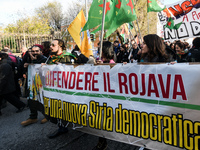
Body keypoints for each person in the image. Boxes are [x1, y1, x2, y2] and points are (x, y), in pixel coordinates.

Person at [45, 39, 76, 139]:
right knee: (57, 107)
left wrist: (63, 67)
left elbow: (74, 71)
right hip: (54, 88)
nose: (51, 47)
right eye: (51, 45)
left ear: (60, 46)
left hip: (67, 88)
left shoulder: (68, 57)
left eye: (53, 45)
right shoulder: (51, 57)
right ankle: (61, 128)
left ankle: (77, 126)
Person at [93, 41, 115, 150]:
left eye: (100, 48)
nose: (98, 50)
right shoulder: (99, 61)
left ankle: (103, 141)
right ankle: (101, 141)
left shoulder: (111, 62)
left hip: (107, 96)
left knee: (104, 120)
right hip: (99, 94)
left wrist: (103, 67)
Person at [21, 45, 48, 126]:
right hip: (31, 83)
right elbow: (21, 67)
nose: (35, 53)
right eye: (33, 51)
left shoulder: (44, 59)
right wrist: (25, 66)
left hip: (42, 84)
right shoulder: (28, 58)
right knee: (31, 99)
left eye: (37, 51)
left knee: (43, 99)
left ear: (41, 52)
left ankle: (47, 116)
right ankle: (33, 117)